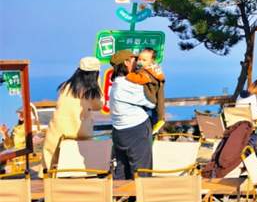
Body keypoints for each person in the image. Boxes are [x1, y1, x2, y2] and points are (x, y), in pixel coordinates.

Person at [42, 57, 103, 171]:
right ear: (95, 73)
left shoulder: (65, 86)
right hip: (78, 136)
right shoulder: (91, 92)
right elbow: (99, 105)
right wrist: (98, 83)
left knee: (51, 171)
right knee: (77, 170)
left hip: (55, 133)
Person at [109, 49, 155, 179]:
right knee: (141, 172)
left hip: (119, 132)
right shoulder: (128, 84)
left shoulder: (116, 83)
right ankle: (139, 193)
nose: (138, 62)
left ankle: (119, 192)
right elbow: (152, 102)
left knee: (121, 171)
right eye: (135, 59)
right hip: (136, 130)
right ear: (126, 62)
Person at [126, 48, 165, 130]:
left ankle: (154, 127)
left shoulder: (147, 72)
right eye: (139, 59)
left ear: (151, 61)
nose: (140, 62)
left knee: (149, 118)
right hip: (153, 100)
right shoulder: (155, 70)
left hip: (149, 100)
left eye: (144, 60)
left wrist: (128, 75)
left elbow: (140, 79)